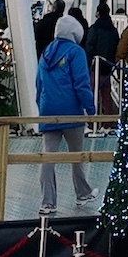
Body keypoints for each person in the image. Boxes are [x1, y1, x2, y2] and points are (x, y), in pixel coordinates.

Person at [36, 12, 97, 212]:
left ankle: (47, 202)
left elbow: (38, 83)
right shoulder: (75, 52)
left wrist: (41, 107)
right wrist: (90, 109)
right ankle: (82, 193)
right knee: (77, 156)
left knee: (48, 157)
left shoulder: (46, 52)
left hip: (48, 112)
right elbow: (81, 83)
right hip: (72, 112)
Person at [85, 0, 121, 118]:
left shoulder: (94, 29)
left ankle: (92, 119)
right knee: (106, 93)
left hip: (96, 66)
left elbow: (90, 47)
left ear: (98, 13)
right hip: (108, 66)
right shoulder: (113, 30)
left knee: (92, 92)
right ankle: (108, 120)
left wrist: (88, 63)